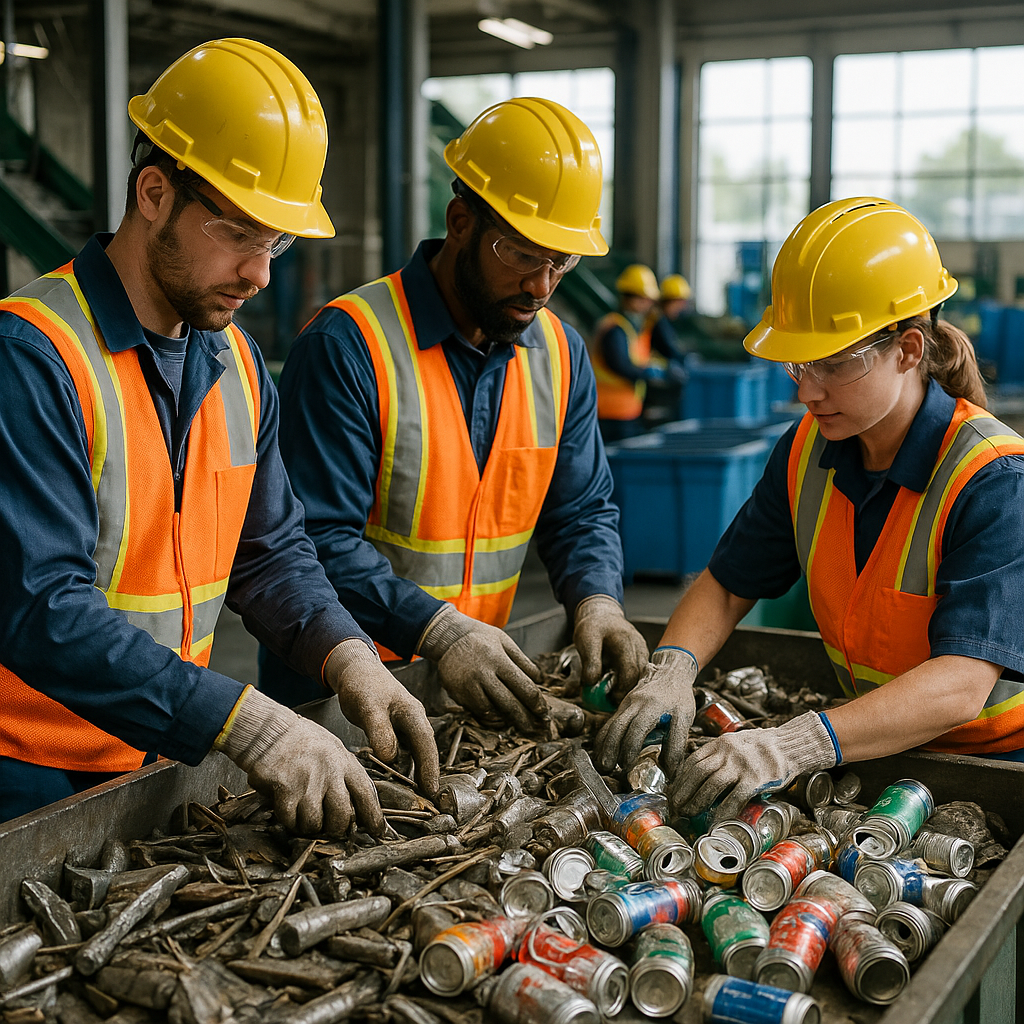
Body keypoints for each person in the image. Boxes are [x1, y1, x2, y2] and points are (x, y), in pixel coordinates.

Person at [0, 38, 439, 831]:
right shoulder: (34, 356)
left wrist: (347, 653)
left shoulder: (236, 362)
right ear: (155, 193)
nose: (260, 273)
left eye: (275, 242)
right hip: (25, 776)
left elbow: (270, 553)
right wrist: (245, 721)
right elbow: (43, 609)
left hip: (159, 761)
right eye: (239, 232)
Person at [596, 197, 1024, 822]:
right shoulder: (808, 451)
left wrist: (793, 744)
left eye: (834, 364)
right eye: (799, 363)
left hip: (996, 768)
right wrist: (671, 669)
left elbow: (961, 684)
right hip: (871, 748)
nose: (807, 390)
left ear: (908, 349)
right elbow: (727, 585)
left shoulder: (992, 479)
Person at [261, 97, 648, 727]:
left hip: (470, 691)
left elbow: (580, 510)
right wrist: (438, 630)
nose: (542, 285)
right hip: (337, 695)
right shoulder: (350, 345)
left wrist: (597, 599)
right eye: (522, 255)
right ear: (461, 221)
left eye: (562, 261)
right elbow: (311, 540)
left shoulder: (561, 355)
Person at [590, 263, 674, 443]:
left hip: (627, 410)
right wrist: (648, 372)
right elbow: (620, 364)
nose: (648, 305)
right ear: (632, 299)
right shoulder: (615, 329)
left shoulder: (632, 328)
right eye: (645, 300)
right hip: (610, 413)